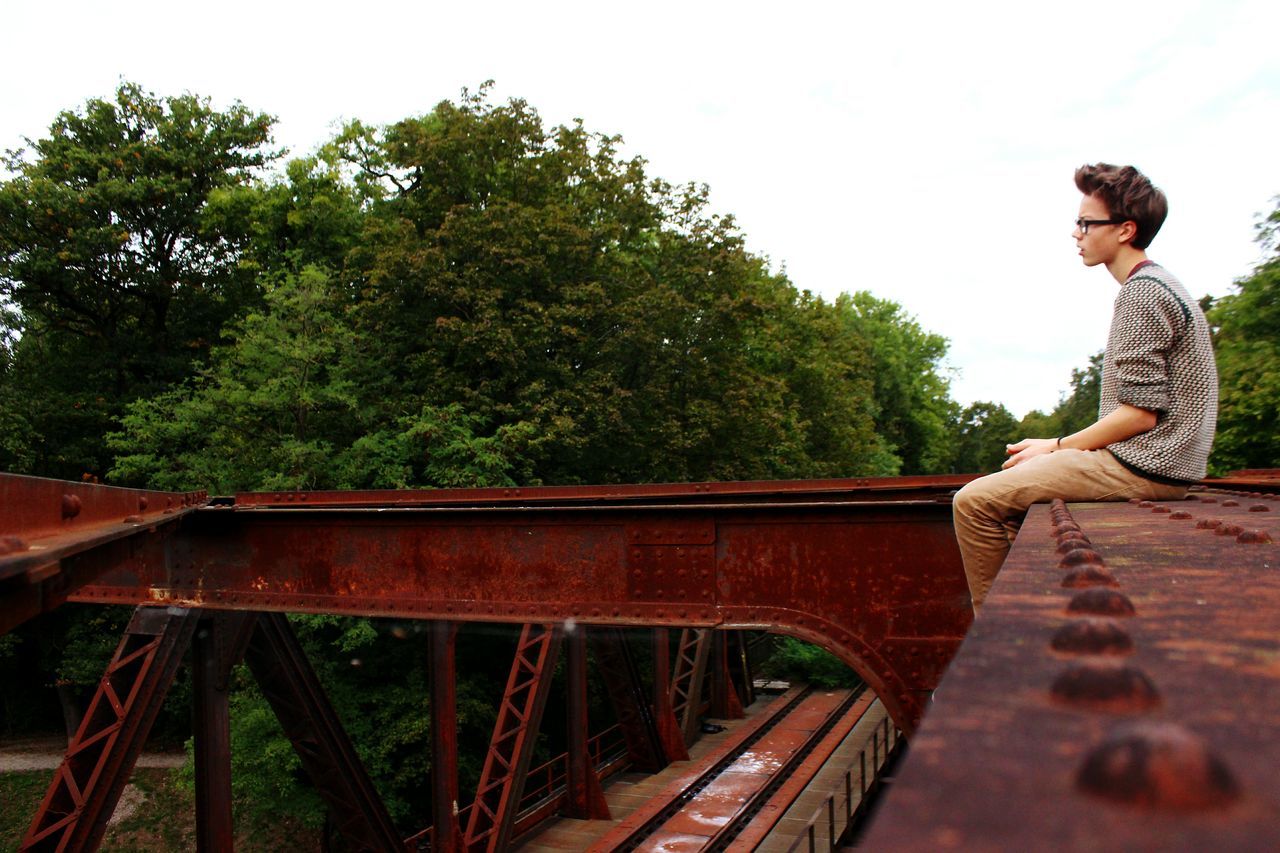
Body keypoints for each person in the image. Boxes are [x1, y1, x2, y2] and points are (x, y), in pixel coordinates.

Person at [952, 163, 1218, 608]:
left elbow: (1139, 413)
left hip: (1144, 467)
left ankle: (1000, 639)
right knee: (1015, 490)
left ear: (1124, 230)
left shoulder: (1141, 293)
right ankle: (1040, 609)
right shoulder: (1161, 284)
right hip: (1164, 464)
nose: (1076, 233)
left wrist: (1057, 446)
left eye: (1086, 223)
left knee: (973, 503)